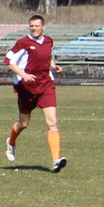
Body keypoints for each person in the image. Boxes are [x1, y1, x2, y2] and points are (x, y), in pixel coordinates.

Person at [6, 13, 65, 172]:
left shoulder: (49, 41)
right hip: (26, 88)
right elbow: (8, 61)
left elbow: (48, 56)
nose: (34, 29)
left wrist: (53, 66)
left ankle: (55, 160)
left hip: (46, 84)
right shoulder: (23, 42)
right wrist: (23, 75)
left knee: (52, 122)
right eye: (31, 26)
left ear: (43, 27)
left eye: (36, 26)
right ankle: (11, 142)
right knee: (23, 123)